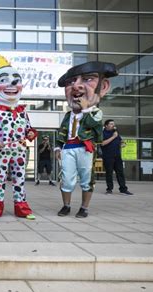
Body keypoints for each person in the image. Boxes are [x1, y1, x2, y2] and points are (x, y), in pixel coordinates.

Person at [55, 61, 118, 218]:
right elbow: (62, 132)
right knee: (66, 179)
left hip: (86, 148)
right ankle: (66, 205)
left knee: (86, 179)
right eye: (71, 82)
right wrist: (57, 147)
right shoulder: (68, 115)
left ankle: (84, 208)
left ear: (103, 87)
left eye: (87, 79)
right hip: (68, 149)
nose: (76, 86)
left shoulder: (96, 113)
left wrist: (86, 109)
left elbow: (94, 126)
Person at [0, 54, 38, 220]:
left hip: (19, 150)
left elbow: (28, 127)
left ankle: (22, 208)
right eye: (4, 79)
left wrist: (29, 133)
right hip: (2, 150)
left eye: (16, 79)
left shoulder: (22, 110)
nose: (12, 83)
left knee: (19, 179)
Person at [101, 119, 133, 195]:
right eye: (111, 124)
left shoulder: (115, 133)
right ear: (106, 125)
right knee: (109, 173)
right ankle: (109, 189)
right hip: (108, 156)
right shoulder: (102, 133)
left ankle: (123, 189)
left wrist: (122, 143)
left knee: (120, 173)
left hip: (117, 156)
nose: (113, 125)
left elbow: (120, 141)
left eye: (113, 124)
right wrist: (113, 137)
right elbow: (102, 143)